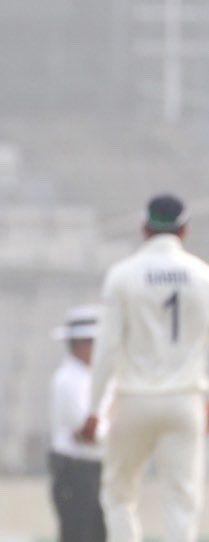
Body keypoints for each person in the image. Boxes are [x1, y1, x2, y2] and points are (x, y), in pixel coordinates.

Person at [79, 194, 209, 542]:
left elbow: (107, 349)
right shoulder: (202, 275)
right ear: (184, 231)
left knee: (119, 494)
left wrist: (95, 409)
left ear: (144, 228)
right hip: (186, 400)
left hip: (133, 399)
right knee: (182, 500)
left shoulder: (123, 275)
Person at [49, 305, 108, 542]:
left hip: (96, 470)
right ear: (80, 344)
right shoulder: (68, 381)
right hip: (75, 471)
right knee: (77, 534)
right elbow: (88, 433)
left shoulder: (91, 377)